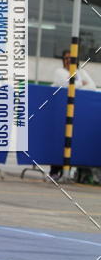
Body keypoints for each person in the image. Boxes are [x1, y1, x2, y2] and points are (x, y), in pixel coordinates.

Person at [49, 49, 96, 179]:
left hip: (77, 113)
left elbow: (92, 86)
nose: (68, 60)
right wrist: (80, 84)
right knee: (60, 140)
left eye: (71, 58)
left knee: (73, 142)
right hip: (60, 112)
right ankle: (54, 171)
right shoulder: (59, 72)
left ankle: (69, 171)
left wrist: (77, 84)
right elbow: (66, 84)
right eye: (66, 58)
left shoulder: (81, 72)